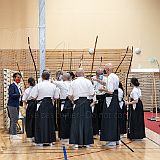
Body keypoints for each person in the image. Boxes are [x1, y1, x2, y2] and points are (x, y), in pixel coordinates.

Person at [30, 71, 59, 146]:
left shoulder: (38, 85)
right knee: (50, 121)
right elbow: (56, 97)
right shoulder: (53, 86)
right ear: (49, 77)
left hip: (41, 104)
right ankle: (51, 140)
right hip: (49, 104)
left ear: (42, 77)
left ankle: (40, 141)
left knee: (40, 122)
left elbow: (33, 96)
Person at [68, 68, 94, 149]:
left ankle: (76, 143)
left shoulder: (73, 82)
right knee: (87, 122)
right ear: (83, 73)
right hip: (86, 103)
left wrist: (73, 101)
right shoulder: (88, 81)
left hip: (78, 102)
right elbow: (92, 94)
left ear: (76, 74)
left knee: (76, 123)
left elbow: (69, 95)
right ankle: (87, 143)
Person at [99, 63, 120, 147]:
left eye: (105, 69)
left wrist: (102, 89)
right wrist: (98, 81)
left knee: (109, 119)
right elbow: (109, 85)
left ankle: (111, 141)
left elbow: (110, 91)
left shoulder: (110, 77)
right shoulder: (115, 76)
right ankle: (116, 139)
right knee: (114, 119)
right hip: (114, 99)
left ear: (107, 69)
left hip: (110, 99)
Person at [52, 73, 73, 140]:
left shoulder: (61, 83)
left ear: (64, 78)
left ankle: (64, 136)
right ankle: (70, 135)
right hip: (72, 102)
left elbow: (52, 81)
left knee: (63, 119)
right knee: (70, 119)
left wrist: (56, 78)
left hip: (63, 103)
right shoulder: (73, 83)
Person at [91, 68, 108, 136]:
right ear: (96, 74)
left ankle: (102, 129)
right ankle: (95, 130)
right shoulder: (93, 78)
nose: (101, 75)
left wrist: (97, 80)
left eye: (102, 74)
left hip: (102, 96)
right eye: (99, 74)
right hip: (95, 97)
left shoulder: (104, 78)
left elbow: (105, 83)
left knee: (102, 113)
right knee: (95, 114)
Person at [7, 72, 22, 140]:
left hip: (16, 104)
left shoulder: (18, 86)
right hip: (12, 105)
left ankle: (12, 134)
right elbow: (11, 95)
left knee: (15, 119)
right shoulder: (12, 86)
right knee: (14, 119)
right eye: (18, 77)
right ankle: (14, 134)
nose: (19, 79)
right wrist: (19, 95)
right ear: (14, 78)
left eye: (20, 78)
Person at [22, 77, 36, 141]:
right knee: (35, 119)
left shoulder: (27, 90)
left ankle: (30, 135)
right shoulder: (36, 89)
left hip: (30, 105)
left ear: (28, 83)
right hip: (36, 105)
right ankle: (35, 134)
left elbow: (23, 99)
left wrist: (25, 106)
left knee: (29, 120)